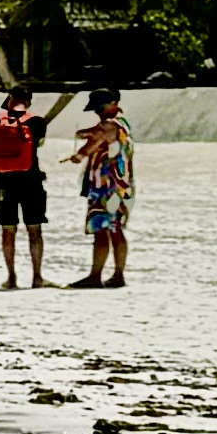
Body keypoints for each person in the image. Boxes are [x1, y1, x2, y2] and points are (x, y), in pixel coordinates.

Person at [0, 85, 50, 288]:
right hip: (31, 180)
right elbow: (38, 145)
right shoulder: (37, 122)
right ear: (29, 101)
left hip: (3, 180)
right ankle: (37, 277)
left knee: (8, 230)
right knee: (34, 230)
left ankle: (11, 277)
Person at [73, 88, 134, 287]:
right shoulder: (123, 124)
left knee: (101, 230)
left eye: (100, 107)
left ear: (113, 103)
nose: (99, 112)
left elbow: (94, 141)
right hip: (122, 185)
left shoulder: (108, 126)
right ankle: (118, 274)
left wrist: (79, 155)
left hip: (105, 186)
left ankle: (95, 275)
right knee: (116, 230)